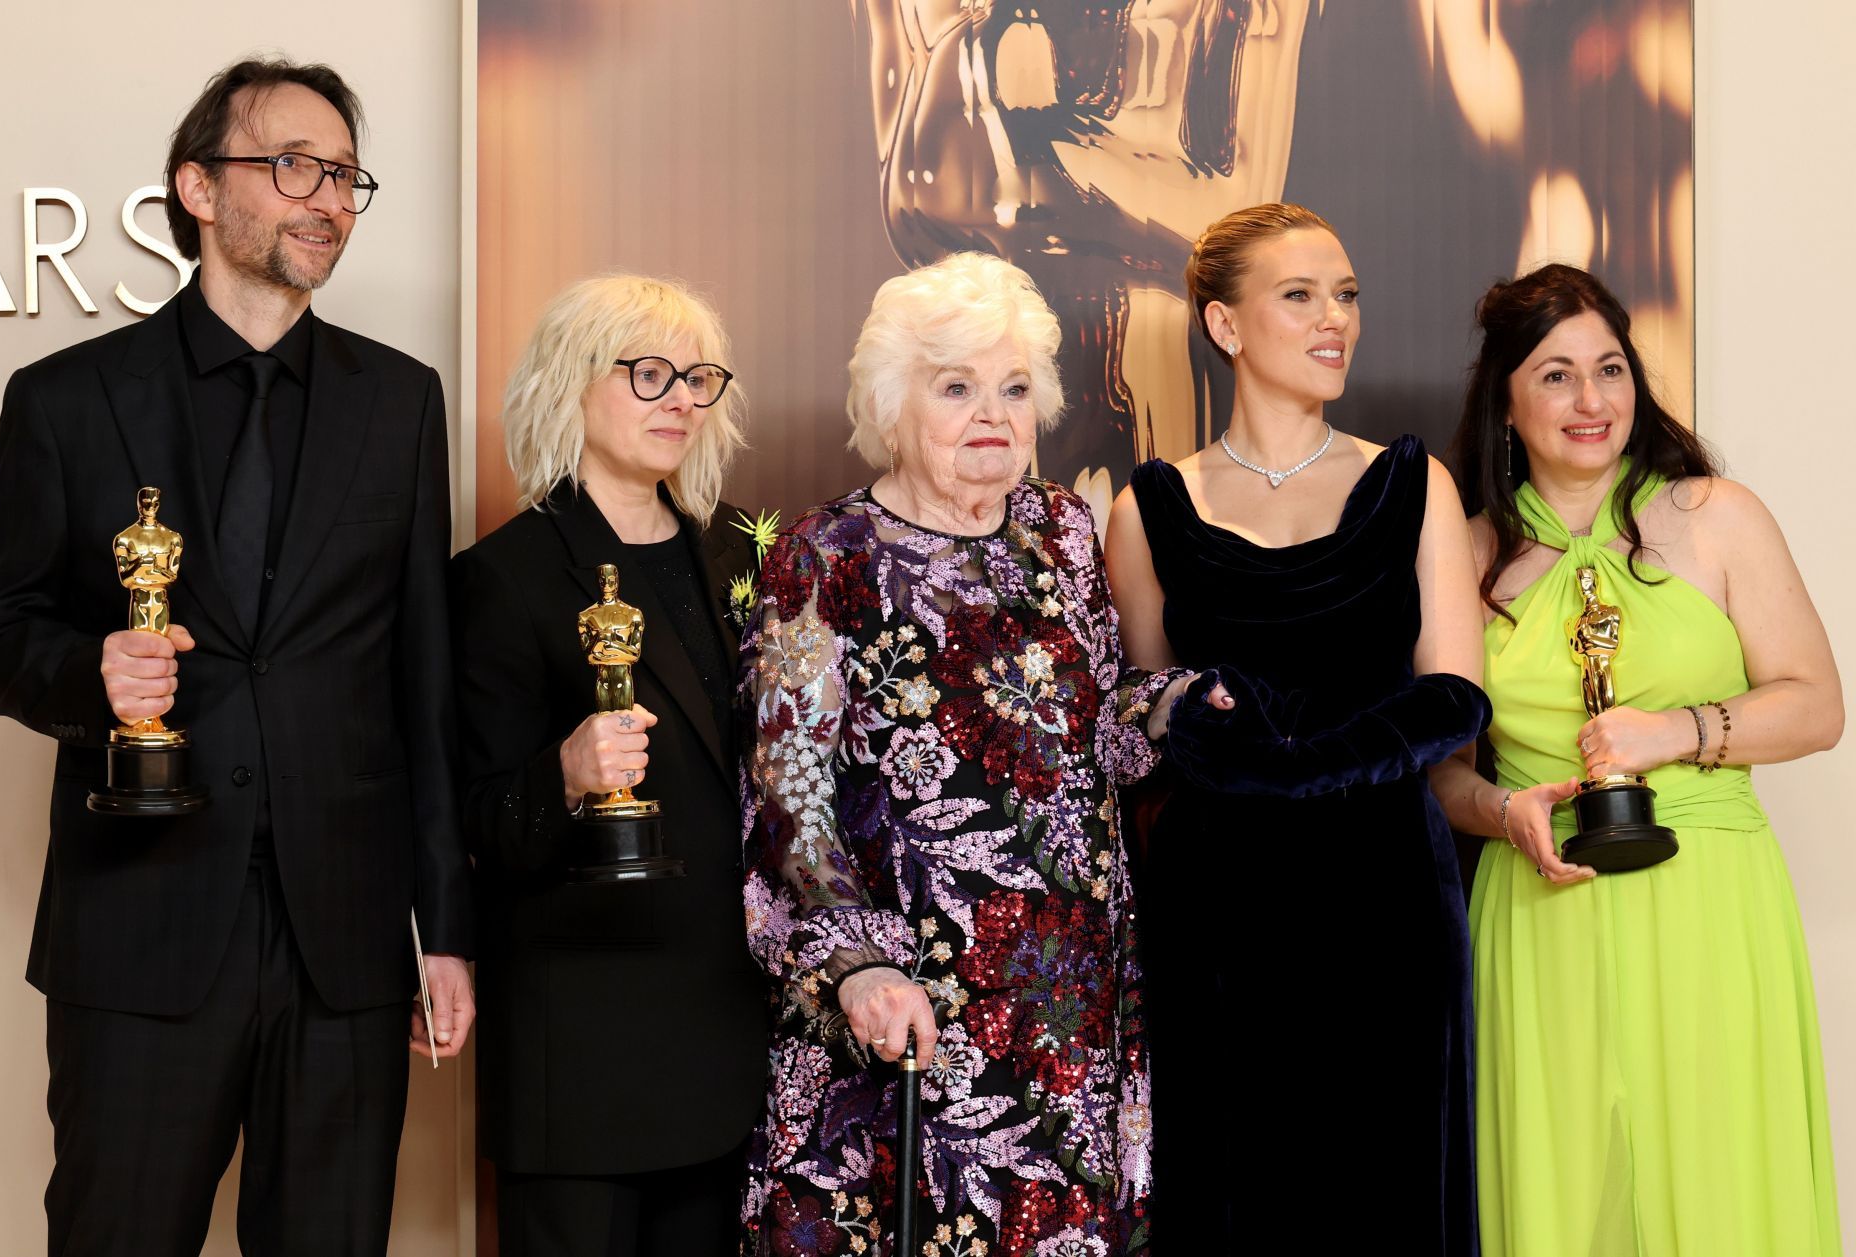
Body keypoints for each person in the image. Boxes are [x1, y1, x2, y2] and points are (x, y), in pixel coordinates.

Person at [0, 58, 473, 1255]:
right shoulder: (68, 399)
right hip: (138, 931)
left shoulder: (401, 405)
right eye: (293, 165)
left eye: (346, 176)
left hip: (345, 947)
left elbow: (424, 688)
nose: (328, 199)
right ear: (197, 186)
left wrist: (441, 929)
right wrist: (91, 676)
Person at [739, 252, 1171, 1253]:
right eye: (957, 387)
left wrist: (1191, 706)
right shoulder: (822, 557)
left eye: (1014, 388)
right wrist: (853, 968)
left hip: (1066, 1008)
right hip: (908, 1011)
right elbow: (787, 796)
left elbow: (1100, 727)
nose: (993, 413)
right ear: (894, 404)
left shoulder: (1063, 530)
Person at [1431, 263, 1843, 1256]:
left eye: (1610, 370)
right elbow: (1441, 772)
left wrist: (1678, 732)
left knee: (1723, 1184)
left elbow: (1818, 708)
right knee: (1564, 1194)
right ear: (1507, 402)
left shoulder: (1717, 517)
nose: (1592, 401)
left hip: (1711, 900)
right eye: (1558, 375)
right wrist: (1501, 812)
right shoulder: (1465, 553)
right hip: (1542, 906)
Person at [1104, 202, 1489, 1250]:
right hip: (1219, 905)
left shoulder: (1414, 485)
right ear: (1225, 327)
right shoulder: (1150, 509)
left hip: (1385, 895)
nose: (1338, 320)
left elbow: (1454, 694)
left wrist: (1301, 770)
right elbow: (1143, 716)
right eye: (1301, 295)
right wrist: (1225, 754)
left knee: (1387, 1188)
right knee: (1232, 1192)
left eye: (1348, 295)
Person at [452, 275, 769, 1255]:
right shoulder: (500, 579)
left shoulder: (747, 548)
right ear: (570, 383)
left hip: (727, 1032)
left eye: (698, 377)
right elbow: (472, 822)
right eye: (647, 373)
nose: (680, 398)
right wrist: (567, 774)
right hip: (580, 1047)